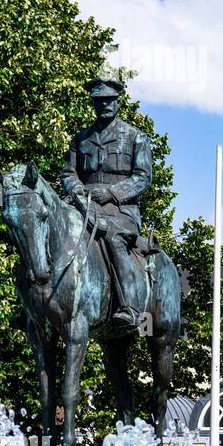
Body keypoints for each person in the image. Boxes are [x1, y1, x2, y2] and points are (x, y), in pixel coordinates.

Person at [60, 76, 153, 328]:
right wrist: (78, 190)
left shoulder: (135, 137)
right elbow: (68, 173)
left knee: (113, 237)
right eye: (99, 101)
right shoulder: (80, 139)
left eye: (109, 100)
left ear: (117, 102)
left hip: (121, 210)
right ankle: (35, 306)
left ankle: (131, 308)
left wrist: (112, 193)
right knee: (51, 227)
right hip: (83, 204)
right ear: (93, 104)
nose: (105, 105)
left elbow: (143, 177)